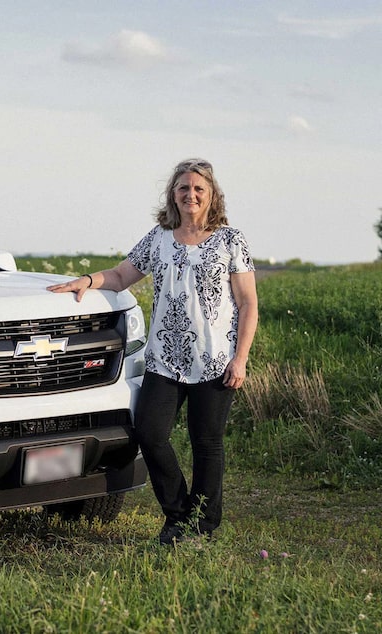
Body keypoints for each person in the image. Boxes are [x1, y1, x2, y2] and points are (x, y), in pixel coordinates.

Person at [48, 158, 258, 545]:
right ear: (172, 194)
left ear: (212, 195)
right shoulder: (159, 237)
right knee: (150, 432)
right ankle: (178, 514)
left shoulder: (231, 240)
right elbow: (121, 275)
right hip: (164, 358)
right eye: (183, 188)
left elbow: (247, 303)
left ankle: (203, 525)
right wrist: (87, 280)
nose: (190, 194)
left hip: (214, 360)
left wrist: (240, 357)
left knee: (207, 442)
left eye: (199, 188)